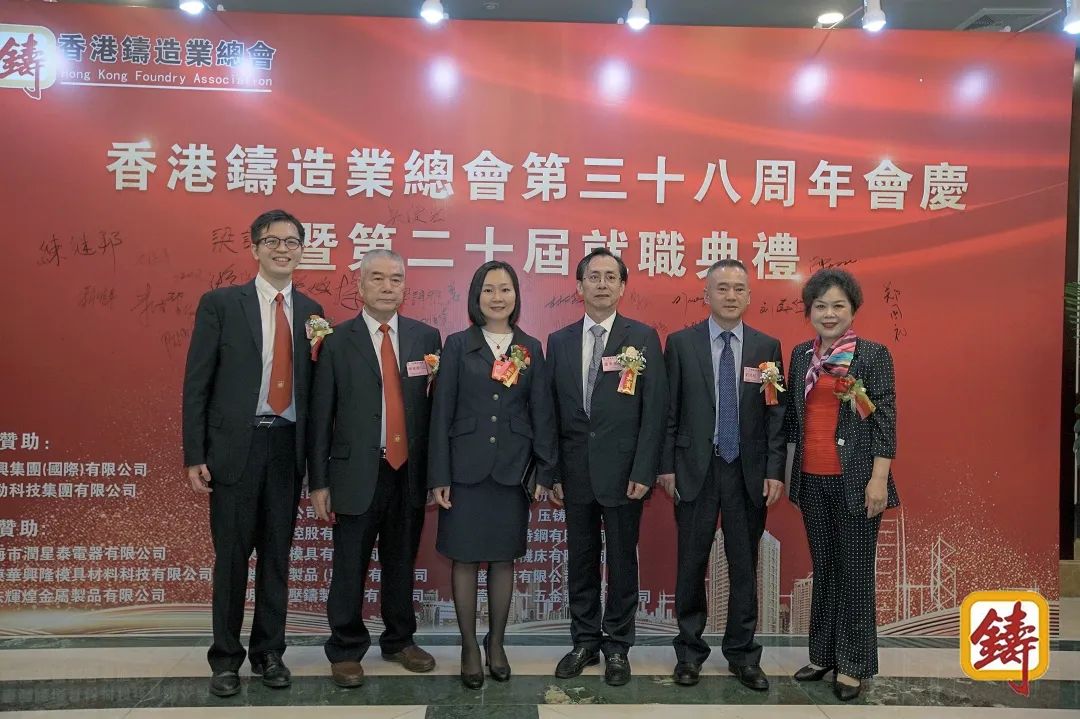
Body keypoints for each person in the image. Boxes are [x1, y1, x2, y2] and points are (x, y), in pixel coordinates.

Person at [182, 209, 324, 697]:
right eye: (272, 241)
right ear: (255, 248)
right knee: (231, 558)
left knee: (276, 558)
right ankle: (225, 659)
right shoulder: (222, 304)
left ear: (302, 250)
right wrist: (195, 453)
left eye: (292, 241)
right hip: (234, 449)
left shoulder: (313, 314)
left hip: (286, 447)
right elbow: (197, 383)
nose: (283, 249)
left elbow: (317, 395)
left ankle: (269, 653)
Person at [307, 249, 442, 688]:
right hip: (355, 472)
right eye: (378, 278)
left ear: (405, 287)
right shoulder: (336, 340)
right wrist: (319, 481)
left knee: (401, 562)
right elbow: (321, 416)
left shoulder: (426, 338)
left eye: (396, 279)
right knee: (351, 565)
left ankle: (400, 640)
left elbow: (435, 414)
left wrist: (434, 475)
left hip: (408, 472)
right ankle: (346, 649)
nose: (387, 287)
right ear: (361, 286)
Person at [657, 259, 786, 691]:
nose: (730, 295)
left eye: (738, 288)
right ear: (706, 295)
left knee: (744, 566)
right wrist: (667, 466)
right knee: (691, 564)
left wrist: (774, 470)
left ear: (749, 296)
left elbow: (775, 415)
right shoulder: (681, 344)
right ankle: (689, 653)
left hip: (746, 472)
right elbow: (669, 412)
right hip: (695, 469)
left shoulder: (767, 347)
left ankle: (743, 655)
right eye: (722, 288)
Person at [428, 261, 558, 689]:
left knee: (504, 560)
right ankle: (469, 647)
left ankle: (496, 643)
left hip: (512, 470)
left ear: (517, 295)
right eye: (489, 290)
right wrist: (439, 475)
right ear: (476, 297)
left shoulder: (530, 347)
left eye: (505, 289)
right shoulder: (457, 344)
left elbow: (542, 412)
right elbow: (441, 412)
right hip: (464, 470)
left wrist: (544, 470)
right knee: (464, 559)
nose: (497, 297)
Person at [545, 248, 667, 686]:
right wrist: (552, 472)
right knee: (580, 561)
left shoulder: (643, 337)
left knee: (621, 561)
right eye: (593, 277)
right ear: (579, 287)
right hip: (574, 473)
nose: (601, 284)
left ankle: (617, 645)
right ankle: (584, 642)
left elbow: (655, 412)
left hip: (624, 474)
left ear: (622, 286)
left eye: (610, 277)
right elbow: (549, 412)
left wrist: (644, 470)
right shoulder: (558, 341)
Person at [784, 268, 899, 701]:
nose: (829, 314)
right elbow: (793, 419)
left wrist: (879, 479)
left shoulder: (872, 355)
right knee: (826, 569)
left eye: (838, 306)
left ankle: (853, 664)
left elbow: (884, 418)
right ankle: (823, 654)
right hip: (811, 480)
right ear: (809, 311)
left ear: (853, 310)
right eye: (820, 306)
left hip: (857, 481)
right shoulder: (801, 355)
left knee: (855, 574)